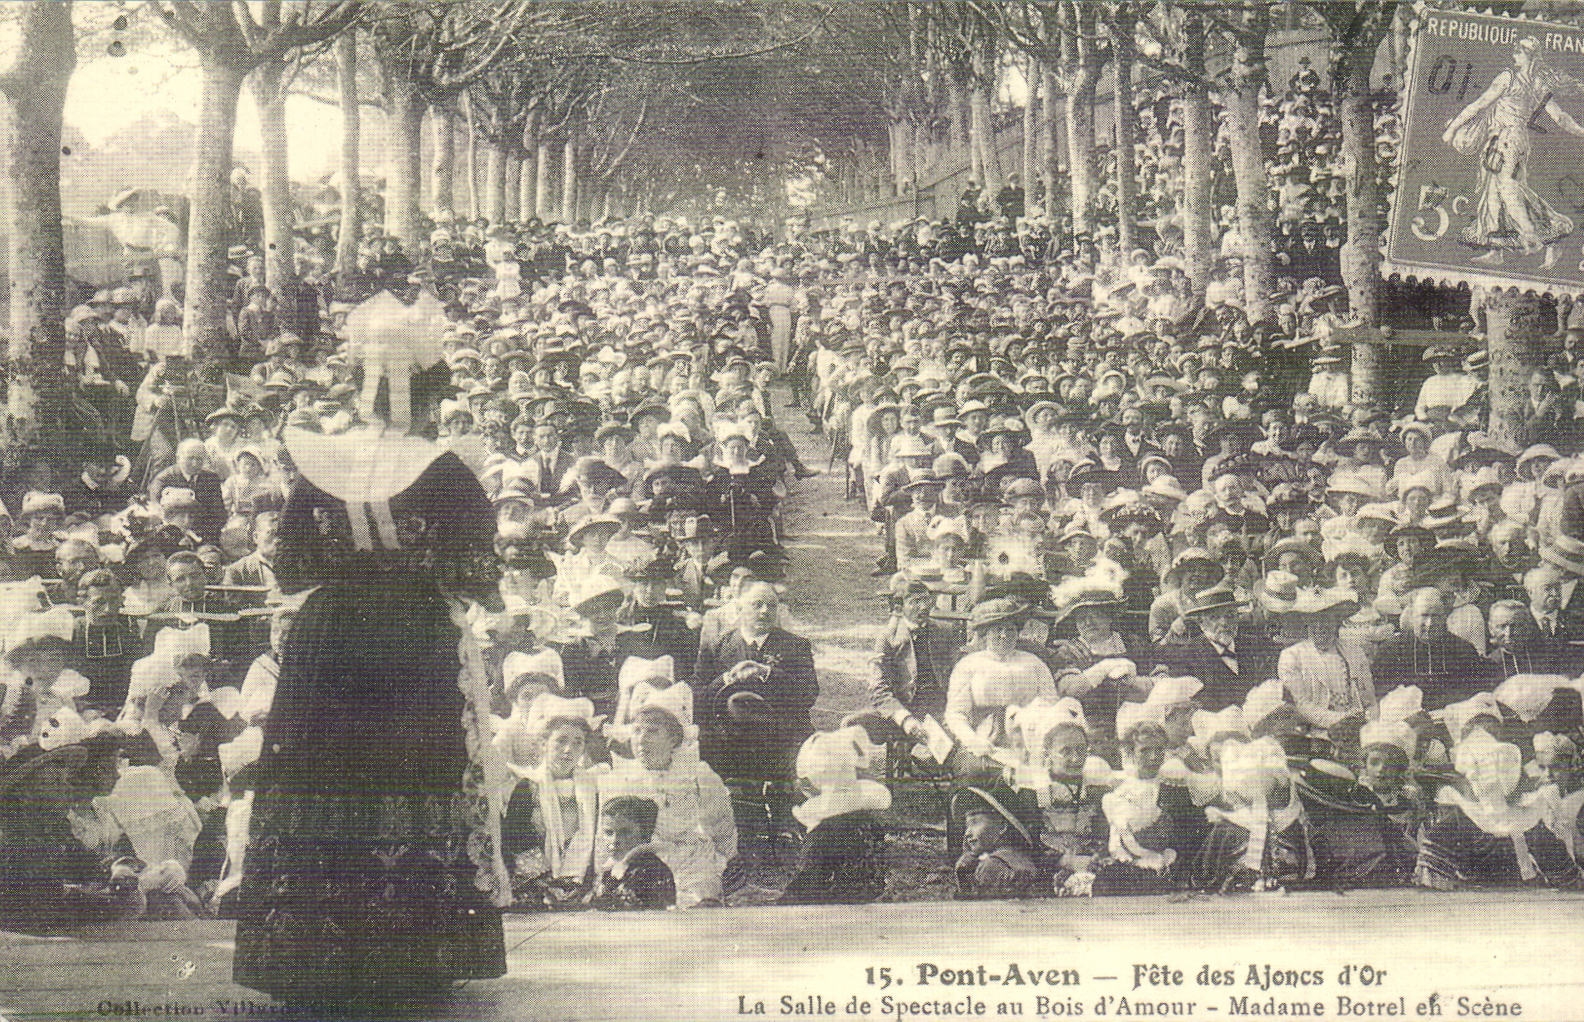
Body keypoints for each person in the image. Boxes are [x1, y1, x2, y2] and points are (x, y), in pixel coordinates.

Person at [232, 429, 506, 1010]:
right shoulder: (442, 468)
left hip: (331, 638)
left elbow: (290, 566)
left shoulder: (324, 463)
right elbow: (477, 571)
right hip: (412, 639)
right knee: (410, 778)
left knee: (326, 780)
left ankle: (314, 957)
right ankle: (413, 959)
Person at [599, 686, 736, 909]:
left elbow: (723, 831)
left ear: (673, 738)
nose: (641, 740)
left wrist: (716, 869)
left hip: (693, 866)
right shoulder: (621, 779)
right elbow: (606, 839)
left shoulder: (698, 776)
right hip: (639, 866)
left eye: (652, 731)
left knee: (701, 909)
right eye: (636, 731)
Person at [778, 727, 891, 905]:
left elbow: (806, 882)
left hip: (836, 914)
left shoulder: (824, 834)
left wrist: (783, 903)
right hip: (869, 900)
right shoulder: (869, 821)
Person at [587, 795, 676, 911]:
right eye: (609, 833)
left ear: (645, 834)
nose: (615, 840)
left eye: (625, 832)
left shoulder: (651, 871)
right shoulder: (610, 869)